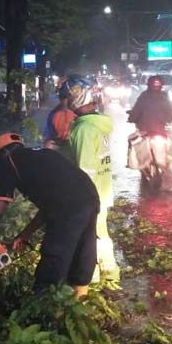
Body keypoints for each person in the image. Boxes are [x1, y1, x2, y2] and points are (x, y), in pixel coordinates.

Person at [0, 133, 100, 298]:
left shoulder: (9, 162)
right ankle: (79, 303)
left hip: (68, 206)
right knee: (83, 252)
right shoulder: (41, 154)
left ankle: (44, 310)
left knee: (53, 261)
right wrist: (25, 234)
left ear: (2, 155)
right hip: (89, 196)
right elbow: (49, 204)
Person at [59, 75, 120, 286]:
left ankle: (90, 282)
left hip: (89, 196)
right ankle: (110, 275)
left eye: (68, 96)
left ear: (78, 97)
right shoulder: (97, 124)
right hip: (102, 190)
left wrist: (77, 202)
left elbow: (83, 170)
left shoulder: (84, 129)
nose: (66, 101)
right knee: (101, 234)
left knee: (87, 240)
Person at [43, 87, 77, 156]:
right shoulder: (73, 114)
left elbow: (48, 134)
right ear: (69, 98)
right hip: (69, 146)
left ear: (59, 98)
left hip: (58, 147)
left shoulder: (53, 114)